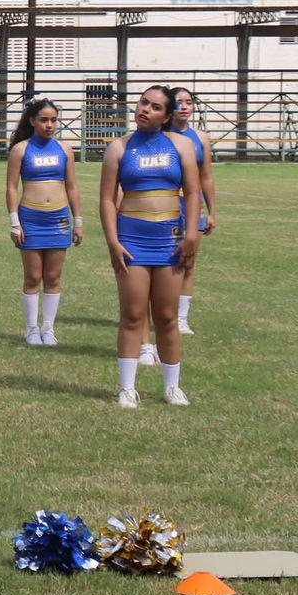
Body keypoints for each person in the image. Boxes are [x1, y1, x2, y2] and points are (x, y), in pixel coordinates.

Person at [99, 85, 201, 409]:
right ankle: (127, 389)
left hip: (169, 243)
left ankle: (172, 387)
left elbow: (193, 193)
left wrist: (192, 234)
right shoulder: (118, 148)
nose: (145, 109)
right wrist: (113, 241)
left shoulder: (182, 146)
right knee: (132, 315)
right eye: (144, 102)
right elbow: (106, 199)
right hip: (131, 242)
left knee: (167, 317)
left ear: (167, 116)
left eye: (156, 107)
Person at [5, 96, 82, 346]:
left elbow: (72, 187)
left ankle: (48, 329)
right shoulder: (21, 150)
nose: (49, 125)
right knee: (32, 277)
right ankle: (31, 329)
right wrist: (15, 222)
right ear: (32, 121)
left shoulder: (65, 150)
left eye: (53, 120)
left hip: (59, 220)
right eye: (44, 120)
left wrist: (78, 220)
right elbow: (11, 187)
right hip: (31, 219)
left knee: (53, 277)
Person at [169, 87, 217, 335]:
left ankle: (181, 319)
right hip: (166, 205)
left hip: (192, 205)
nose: (184, 106)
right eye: (179, 102)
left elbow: (206, 176)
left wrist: (212, 211)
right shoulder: (161, 136)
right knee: (165, 263)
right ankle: (163, 314)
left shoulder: (201, 138)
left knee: (188, 262)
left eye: (189, 102)